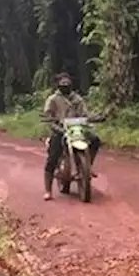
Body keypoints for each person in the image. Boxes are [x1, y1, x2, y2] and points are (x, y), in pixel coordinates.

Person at [41, 72, 102, 201]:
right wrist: (56, 126)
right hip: (60, 130)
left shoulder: (77, 99)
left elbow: (85, 114)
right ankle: (47, 190)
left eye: (67, 84)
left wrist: (94, 118)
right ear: (58, 85)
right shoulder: (53, 99)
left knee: (95, 140)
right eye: (62, 84)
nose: (65, 86)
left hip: (78, 129)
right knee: (53, 156)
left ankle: (87, 166)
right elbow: (48, 116)